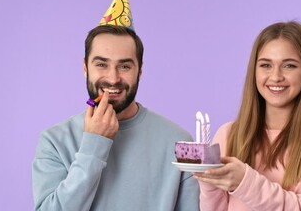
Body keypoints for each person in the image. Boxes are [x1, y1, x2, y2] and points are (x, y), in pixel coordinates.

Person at [32, 25, 199, 211]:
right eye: (102, 64)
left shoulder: (181, 143)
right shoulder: (54, 141)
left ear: (140, 72)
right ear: (85, 68)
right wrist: (94, 146)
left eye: (124, 66)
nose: (113, 78)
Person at [194, 21, 301, 210]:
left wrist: (245, 183)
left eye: (289, 66)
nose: (276, 76)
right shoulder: (228, 134)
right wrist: (208, 181)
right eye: (265, 65)